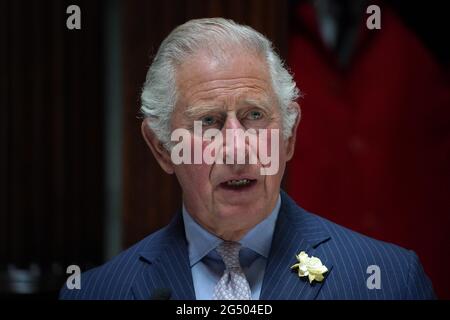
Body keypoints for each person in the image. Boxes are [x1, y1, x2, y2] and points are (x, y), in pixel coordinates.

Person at [60, 18, 435, 300]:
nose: (237, 148)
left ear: (288, 136)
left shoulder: (389, 280)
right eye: (209, 121)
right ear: (162, 147)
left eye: (255, 116)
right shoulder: (96, 292)